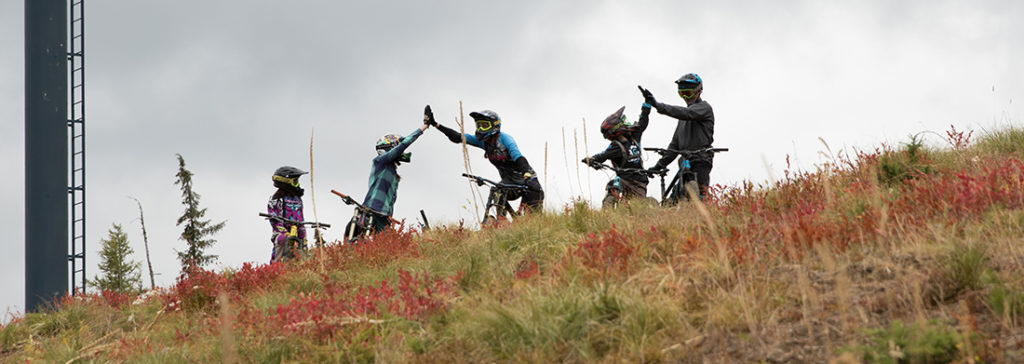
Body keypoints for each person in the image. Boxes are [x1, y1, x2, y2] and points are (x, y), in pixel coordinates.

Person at [431, 108, 544, 212]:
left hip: (528, 180)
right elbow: (457, 137)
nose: (480, 129)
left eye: (484, 126)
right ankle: (501, 224)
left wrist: (528, 175)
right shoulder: (483, 142)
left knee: (534, 218)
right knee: (497, 192)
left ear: (494, 126)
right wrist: (435, 124)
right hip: (509, 181)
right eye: (478, 125)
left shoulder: (505, 139)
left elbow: (519, 158)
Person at [355, 106, 431, 235]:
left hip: (384, 217)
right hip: (370, 211)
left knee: (387, 246)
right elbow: (403, 145)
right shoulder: (380, 161)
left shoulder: (394, 175)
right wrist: (424, 127)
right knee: (361, 240)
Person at [639, 73, 715, 199]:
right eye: (682, 94)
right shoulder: (682, 120)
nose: (685, 97)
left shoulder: (704, 108)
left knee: (701, 196)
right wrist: (659, 165)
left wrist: (658, 105)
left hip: (701, 159)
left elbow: (687, 113)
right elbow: (674, 146)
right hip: (685, 162)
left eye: (688, 93)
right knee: (676, 198)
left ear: (699, 91)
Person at [582, 104, 651, 205]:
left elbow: (643, 123)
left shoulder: (634, 137)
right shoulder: (616, 146)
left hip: (639, 182)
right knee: (613, 184)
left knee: (639, 207)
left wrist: (646, 107)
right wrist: (591, 159)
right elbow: (602, 156)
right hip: (624, 179)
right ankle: (607, 211)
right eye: (624, 120)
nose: (627, 122)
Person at [267, 166, 309, 262]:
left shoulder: (298, 199)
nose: (297, 184)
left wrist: (304, 237)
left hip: (297, 231)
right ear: (286, 182)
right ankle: (276, 268)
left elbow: (301, 219)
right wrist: (286, 234)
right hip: (281, 233)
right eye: (295, 181)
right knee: (282, 241)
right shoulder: (276, 199)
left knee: (304, 252)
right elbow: (274, 221)